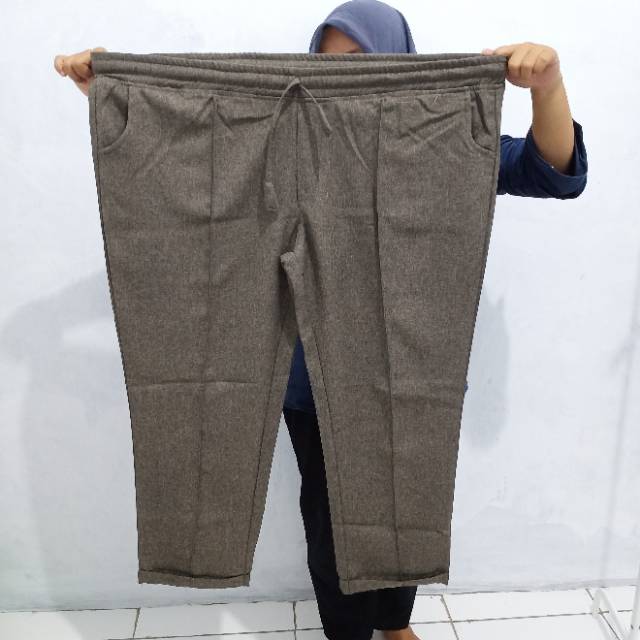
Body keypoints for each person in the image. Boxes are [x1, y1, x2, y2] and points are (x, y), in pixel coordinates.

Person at [54, 2, 588, 639]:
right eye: (328, 63)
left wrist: (548, 85)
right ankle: (348, 633)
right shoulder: (277, 132)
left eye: (358, 62)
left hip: (402, 365)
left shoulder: (434, 137)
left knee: (400, 492)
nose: (341, 76)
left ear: (397, 59)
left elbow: (553, 172)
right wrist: (127, 96)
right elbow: (188, 164)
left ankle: (394, 622)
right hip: (304, 381)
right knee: (330, 519)